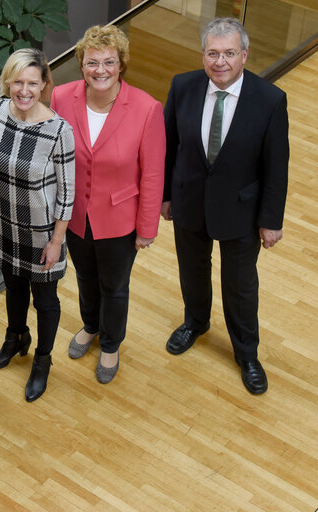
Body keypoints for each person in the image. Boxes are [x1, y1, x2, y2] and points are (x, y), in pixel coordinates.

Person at [162, 18, 289, 394]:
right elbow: (168, 147)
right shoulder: (182, 86)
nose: (221, 62)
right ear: (203, 55)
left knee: (241, 285)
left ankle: (246, 353)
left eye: (229, 53)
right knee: (192, 270)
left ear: (244, 56)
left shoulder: (269, 99)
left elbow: (276, 167)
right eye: (213, 53)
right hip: (189, 202)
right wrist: (166, 196)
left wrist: (271, 220)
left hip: (240, 211)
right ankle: (196, 322)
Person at [50, 25, 165, 383]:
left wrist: (147, 228)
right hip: (74, 216)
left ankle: (111, 344)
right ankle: (91, 326)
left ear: (121, 65)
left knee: (114, 286)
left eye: (109, 62)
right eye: (92, 62)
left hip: (119, 219)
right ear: (81, 65)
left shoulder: (147, 109)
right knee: (85, 276)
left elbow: (152, 175)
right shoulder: (61, 98)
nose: (100, 70)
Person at [0, 49, 75, 402]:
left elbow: (67, 193)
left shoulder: (58, 131)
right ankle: (15, 339)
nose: (24, 90)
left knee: (45, 299)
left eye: (32, 83)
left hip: (42, 233)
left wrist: (56, 240)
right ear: (8, 82)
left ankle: (42, 361)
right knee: (13, 287)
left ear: (45, 85)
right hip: (4, 223)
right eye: (17, 81)